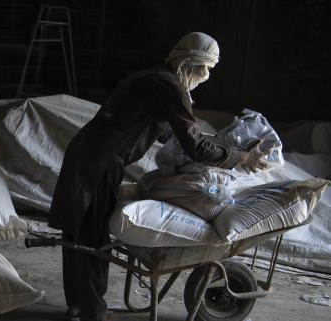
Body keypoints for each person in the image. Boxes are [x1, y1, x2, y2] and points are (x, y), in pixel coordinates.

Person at [48, 32, 268, 321]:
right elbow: (194, 145)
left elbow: (172, 136)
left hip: (89, 153)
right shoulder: (169, 86)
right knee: (91, 235)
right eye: (208, 69)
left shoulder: (153, 79)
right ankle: (93, 312)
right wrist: (240, 158)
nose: (207, 77)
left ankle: (78, 304)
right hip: (99, 161)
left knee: (79, 231)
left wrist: (222, 141)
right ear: (192, 63)